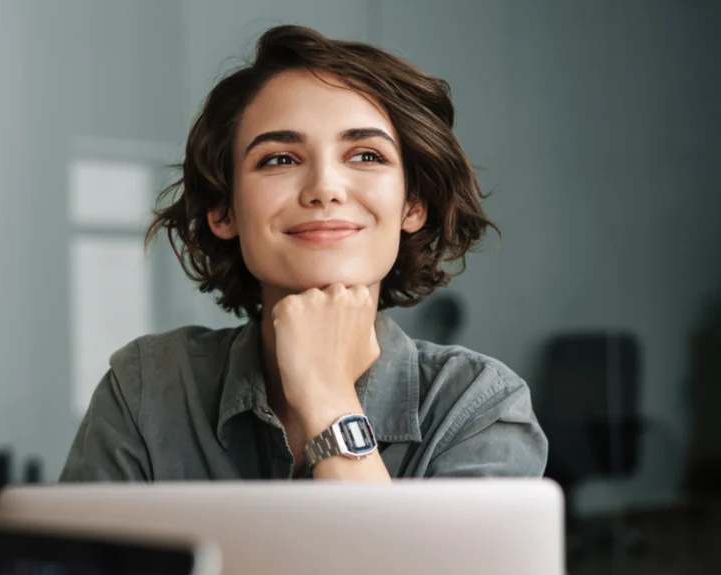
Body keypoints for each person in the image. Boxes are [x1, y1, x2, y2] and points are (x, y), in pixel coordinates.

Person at [61, 25, 547, 483]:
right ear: (222, 210)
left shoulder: (479, 406)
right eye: (279, 159)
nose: (324, 188)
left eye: (366, 156)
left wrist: (327, 398)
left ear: (413, 204)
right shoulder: (145, 389)